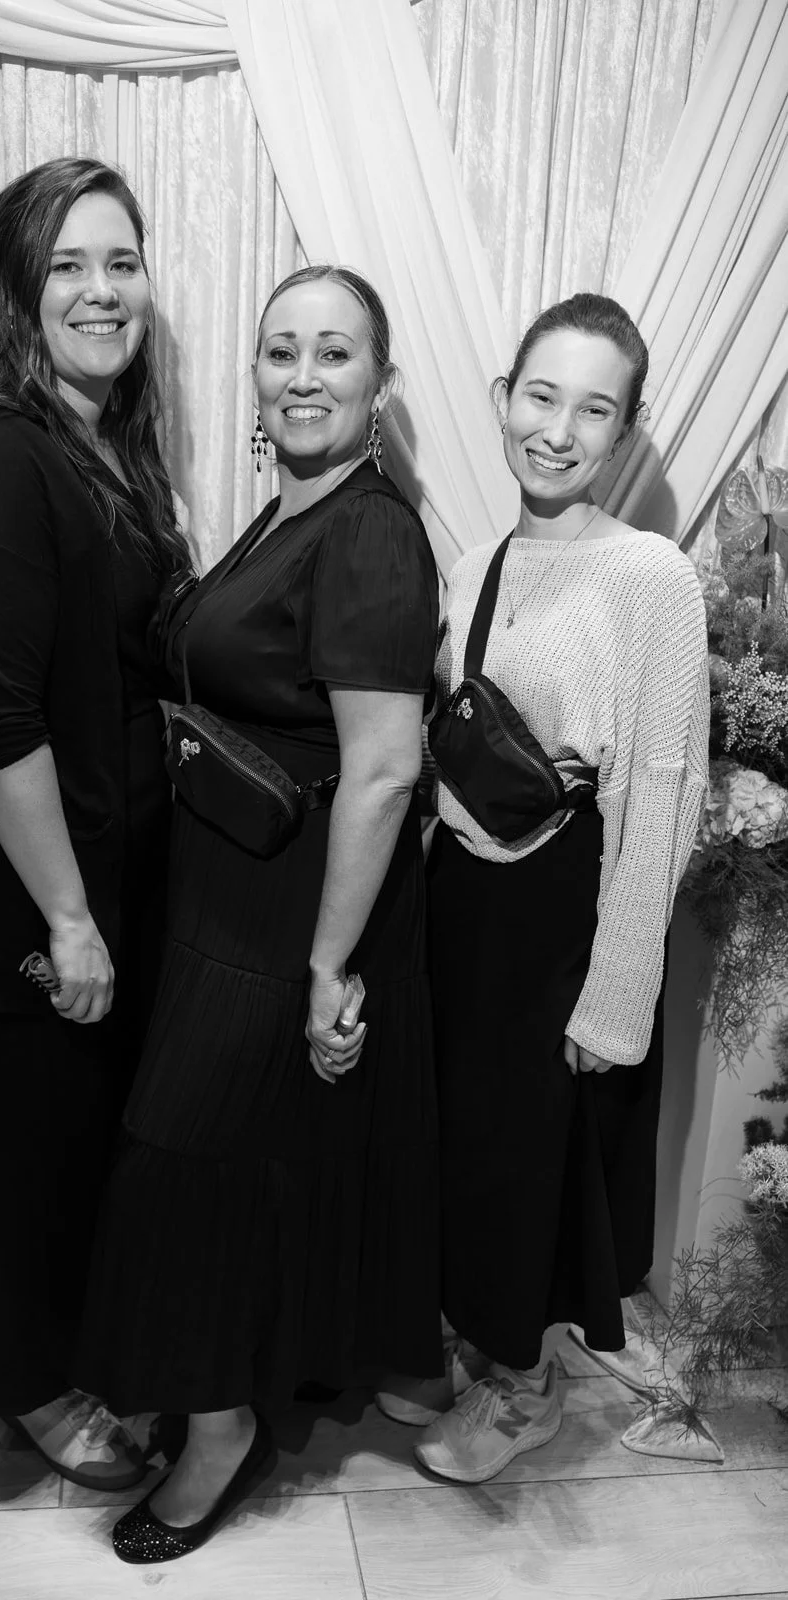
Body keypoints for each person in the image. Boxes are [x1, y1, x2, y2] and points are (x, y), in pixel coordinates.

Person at [74, 265, 443, 1562]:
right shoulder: (292, 510)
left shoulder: (369, 532)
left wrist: (327, 965)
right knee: (219, 1177)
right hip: (221, 899)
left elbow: (386, 763)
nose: (299, 374)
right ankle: (227, 1385)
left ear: (378, 386)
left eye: (331, 354)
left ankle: (221, 1425)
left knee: (180, 1169)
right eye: (279, 350)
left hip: (289, 915)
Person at [0, 157, 190, 1489]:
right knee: (22, 1153)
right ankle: (29, 1390)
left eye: (119, 262)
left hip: (97, 862)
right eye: (68, 264)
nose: (101, 290)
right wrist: (66, 917)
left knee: (75, 1143)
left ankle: (84, 1352)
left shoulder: (96, 451)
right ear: (16, 287)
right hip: (23, 887)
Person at [410, 292, 709, 1485]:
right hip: (463, 900)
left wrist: (615, 997)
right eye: (539, 395)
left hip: (563, 911)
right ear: (501, 399)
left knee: (533, 1160)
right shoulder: (482, 555)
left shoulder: (651, 575)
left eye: (593, 408)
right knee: (470, 1148)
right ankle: (483, 1356)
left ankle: (524, 1388)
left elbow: (664, 792)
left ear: (624, 434)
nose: (557, 428)